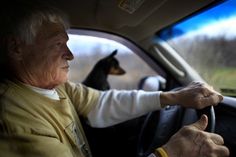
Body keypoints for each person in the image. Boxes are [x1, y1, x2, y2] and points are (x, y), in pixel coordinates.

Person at [0, 0, 230, 157]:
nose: (70, 54)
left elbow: (101, 103)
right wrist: (170, 153)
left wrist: (174, 96)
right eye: (58, 44)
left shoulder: (58, 87)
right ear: (16, 48)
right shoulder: (13, 119)